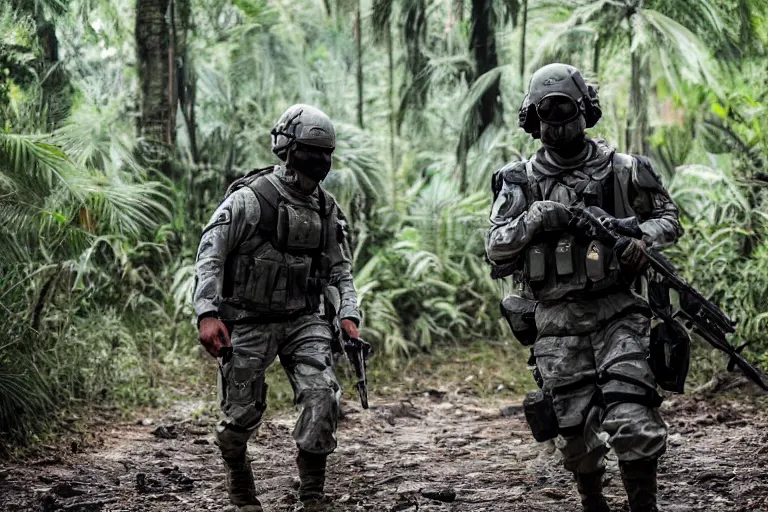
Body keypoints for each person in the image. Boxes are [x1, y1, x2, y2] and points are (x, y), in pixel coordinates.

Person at [486, 63, 682, 512]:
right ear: (533, 118)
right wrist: (536, 216)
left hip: (618, 312)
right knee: (574, 437)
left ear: (585, 109)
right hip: (555, 322)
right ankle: (593, 501)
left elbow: (669, 220)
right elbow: (495, 247)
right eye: (546, 113)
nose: (557, 122)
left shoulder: (625, 168)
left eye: (565, 110)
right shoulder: (519, 181)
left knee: (633, 416)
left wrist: (640, 240)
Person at [192, 104, 361, 511]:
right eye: (309, 150)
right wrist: (207, 313)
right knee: (239, 419)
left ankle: (312, 493)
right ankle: (238, 478)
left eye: (325, 153)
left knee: (323, 397)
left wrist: (349, 314)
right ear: (286, 148)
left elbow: (340, 270)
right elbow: (210, 255)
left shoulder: (326, 209)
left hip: (304, 319)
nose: (318, 161)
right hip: (247, 320)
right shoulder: (251, 201)